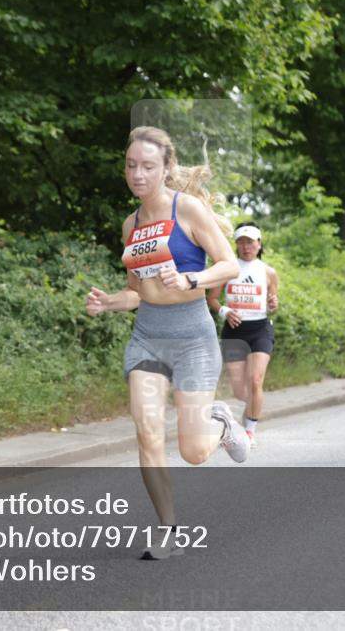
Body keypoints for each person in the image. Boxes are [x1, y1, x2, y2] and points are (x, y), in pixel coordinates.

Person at [85, 126, 247, 560]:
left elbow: (229, 265)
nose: (138, 174)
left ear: (167, 168)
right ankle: (167, 529)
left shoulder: (188, 209)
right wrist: (109, 303)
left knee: (193, 451)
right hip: (148, 338)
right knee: (148, 434)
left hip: (192, 336)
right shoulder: (131, 225)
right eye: (131, 165)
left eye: (148, 166)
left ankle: (223, 425)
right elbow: (137, 292)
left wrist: (192, 277)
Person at [207, 222, 279, 447]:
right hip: (234, 331)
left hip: (259, 329)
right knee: (240, 391)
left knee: (256, 381)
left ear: (259, 244)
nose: (246, 246)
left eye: (250, 242)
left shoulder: (268, 272)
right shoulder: (228, 268)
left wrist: (273, 303)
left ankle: (249, 430)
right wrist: (226, 311)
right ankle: (246, 413)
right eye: (241, 242)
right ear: (236, 245)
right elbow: (212, 299)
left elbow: (273, 303)